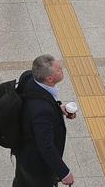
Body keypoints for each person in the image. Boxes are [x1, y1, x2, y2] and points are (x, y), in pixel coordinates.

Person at [13, 55, 73, 186]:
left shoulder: (29, 77)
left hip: (23, 153)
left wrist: (57, 108)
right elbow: (46, 146)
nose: (61, 69)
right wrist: (64, 172)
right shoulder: (43, 111)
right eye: (58, 69)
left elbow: (34, 103)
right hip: (36, 166)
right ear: (49, 79)